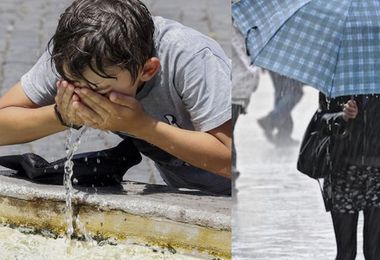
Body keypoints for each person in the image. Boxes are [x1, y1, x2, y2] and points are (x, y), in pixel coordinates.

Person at [0, 0, 231, 195]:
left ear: (147, 70)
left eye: (97, 89)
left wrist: (142, 126)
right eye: (73, 84)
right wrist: (62, 115)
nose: (84, 95)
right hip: (191, 195)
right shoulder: (75, 54)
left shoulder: (191, 58)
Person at [316, 92, 380, 260]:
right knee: (345, 252)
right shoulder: (339, 80)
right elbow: (321, 122)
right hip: (342, 173)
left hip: (378, 176)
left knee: (375, 252)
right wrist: (341, 116)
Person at [231, 22, 259, 195]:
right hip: (241, 86)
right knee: (229, 134)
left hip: (236, 88)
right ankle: (231, 175)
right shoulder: (240, 21)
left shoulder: (234, 23)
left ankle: (231, 175)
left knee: (227, 135)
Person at [257, 71, 304, 146]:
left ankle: (283, 135)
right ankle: (271, 120)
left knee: (282, 91)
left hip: (276, 63)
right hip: (288, 64)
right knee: (294, 91)